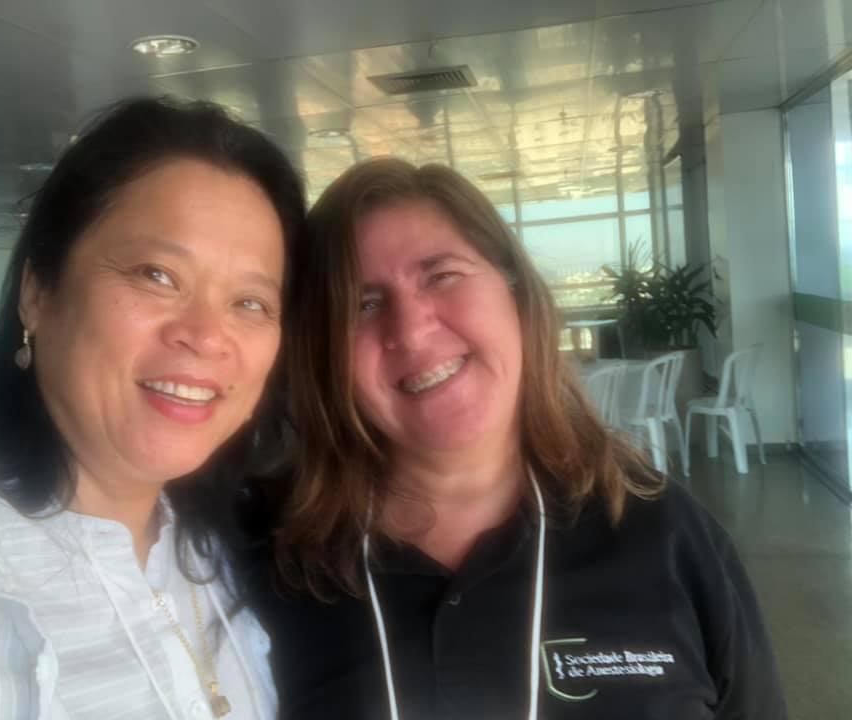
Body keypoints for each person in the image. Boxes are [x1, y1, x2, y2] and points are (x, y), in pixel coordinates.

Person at [246, 158, 787, 720]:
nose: (410, 330)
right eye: (364, 304)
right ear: (323, 354)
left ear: (517, 295)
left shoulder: (668, 537)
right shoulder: (262, 560)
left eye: (441, 275)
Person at [0, 97, 306, 720]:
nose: (206, 336)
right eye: (156, 274)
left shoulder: (232, 555)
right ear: (38, 292)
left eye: (250, 302)